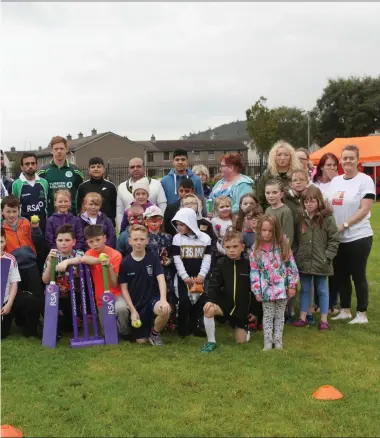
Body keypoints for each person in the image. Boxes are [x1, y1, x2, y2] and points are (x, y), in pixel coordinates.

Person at [327, 145, 375, 324]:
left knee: (358, 275)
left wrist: (345, 225)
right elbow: (329, 205)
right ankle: (345, 309)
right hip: (338, 237)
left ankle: (362, 313)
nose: (347, 161)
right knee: (341, 275)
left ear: (358, 160)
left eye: (351, 158)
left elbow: (364, 209)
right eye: (345, 158)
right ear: (341, 161)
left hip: (358, 236)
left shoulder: (365, 180)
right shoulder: (336, 181)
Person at [60, 224, 130, 338]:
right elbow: (82, 258)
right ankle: (113, 330)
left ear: (105, 238)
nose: (95, 244)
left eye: (98, 240)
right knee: (107, 335)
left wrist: (110, 267)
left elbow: (114, 283)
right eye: (91, 241)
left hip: (117, 294)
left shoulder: (116, 255)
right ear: (87, 243)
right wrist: (66, 262)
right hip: (101, 298)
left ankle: (125, 332)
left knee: (121, 308)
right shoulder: (90, 253)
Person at [292, 186, 339, 330]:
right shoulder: (300, 217)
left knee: (322, 290)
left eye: (312, 201)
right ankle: (302, 318)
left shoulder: (327, 218)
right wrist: (297, 255)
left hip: (321, 261)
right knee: (305, 289)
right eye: (305, 201)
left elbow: (334, 239)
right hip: (304, 260)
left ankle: (324, 320)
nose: (308, 204)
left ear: (319, 201)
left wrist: (327, 256)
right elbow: (296, 239)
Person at [250, 215, 299, 350]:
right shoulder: (256, 249)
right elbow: (254, 271)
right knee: (267, 316)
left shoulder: (282, 246)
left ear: (276, 231)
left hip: (282, 289)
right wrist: (256, 289)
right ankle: (267, 341)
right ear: (259, 230)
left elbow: (291, 267)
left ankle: (278, 341)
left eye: (270, 231)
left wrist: (292, 285)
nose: (267, 233)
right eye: (264, 230)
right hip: (266, 290)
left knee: (279, 316)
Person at [200, 230, 254, 353]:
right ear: (224, 247)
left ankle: (243, 328)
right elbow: (213, 285)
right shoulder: (220, 263)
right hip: (224, 305)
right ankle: (211, 342)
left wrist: (254, 311)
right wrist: (210, 301)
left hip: (241, 309)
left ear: (242, 247)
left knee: (241, 342)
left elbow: (254, 290)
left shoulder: (248, 265)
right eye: (228, 247)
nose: (231, 250)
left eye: (235, 247)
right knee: (208, 309)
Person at [118, 224, 171, 345]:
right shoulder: (125, 263)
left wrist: (163, 299)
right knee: (141, 341)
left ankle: (155, 334)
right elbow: (124, 289)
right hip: (137, 304)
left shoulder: (153, 258)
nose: (138, 242)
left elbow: (161, 279)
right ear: (130, 241)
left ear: (147, 241)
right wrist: (132, 310)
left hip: (152, 300)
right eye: (135, 239)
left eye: (142, 239)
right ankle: (146, 329)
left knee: (165, 310)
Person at [171, 208, 211, 338]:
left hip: (199, 277)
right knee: (184, 302)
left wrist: (202, 275)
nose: (179, 227)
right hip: (184, 278)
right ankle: (183, 329)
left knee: (198, 302)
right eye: (177, 224)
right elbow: (177, 259)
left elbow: (207, 257)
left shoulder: (205, 238)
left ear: (190, 223)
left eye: (182, 224)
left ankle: (195, 327)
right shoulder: (177, 239)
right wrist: (184, 276)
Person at [42, 224, 84, 335]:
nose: (63, 243)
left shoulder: (78, 253)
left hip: (73, 294)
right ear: (56, 242)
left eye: (67, 240)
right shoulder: (52, 255)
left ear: (74, 242)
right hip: (55, 294)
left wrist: (67, 262)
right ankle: (56, 322)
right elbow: (45, 280)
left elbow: (81, 263)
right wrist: (51, 262)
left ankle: (70, 321)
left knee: (70, 327)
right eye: (60, 240)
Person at [1, 227, 41, 339]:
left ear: (5, 241)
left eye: (1, 242)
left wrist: (9, 304)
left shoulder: (10, 259)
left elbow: (14, 283)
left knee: (32, 300)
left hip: (8, 299)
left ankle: (30, 330)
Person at [1, 195, 43, 299]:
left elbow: (37, 240)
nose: (11, 215)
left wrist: (36, 229)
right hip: (13, 268)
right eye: (8, 211)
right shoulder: (1, 228)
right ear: (2, 212)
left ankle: (40, 314)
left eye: (14, 211)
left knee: (37, 294)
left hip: (31, 265)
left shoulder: (25, 222)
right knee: (19, 296)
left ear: (19, 210)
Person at [37, 136, 84, 216]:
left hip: (72, 216)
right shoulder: (42, 171)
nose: (59, 151)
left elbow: (82, 194)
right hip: (50, 216)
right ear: (52, 151)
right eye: (56, 149)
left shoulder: (76, 171)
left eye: (61, 148)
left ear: (66, 150)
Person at [116, 157, 167, 229]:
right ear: (129, 169)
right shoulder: (121, 187)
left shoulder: (156, 184)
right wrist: (122, 230)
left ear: (144, 168)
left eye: (138, 166)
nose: (135, 169)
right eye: (132, 167)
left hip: (152, 229)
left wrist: (160, 226)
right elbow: (120, 212)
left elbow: (163, 206)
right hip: (130, 230)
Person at [256, 141, 300, 210]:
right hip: (272, 216)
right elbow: (260, 199)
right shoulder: (267, 175)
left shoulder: (298, 174)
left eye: (286, 155)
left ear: (291, 157)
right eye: (279, 155)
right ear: (274, 157)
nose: (282, 158)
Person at [11, 153, 49, 232]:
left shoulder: (44, 182)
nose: (30, 166)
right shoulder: (16, 184)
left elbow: (49, 204)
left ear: (37, 165)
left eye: (33, 163)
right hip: (23, 228)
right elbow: (13, 207)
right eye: (27, 164)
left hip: (43, 227)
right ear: (22, 167)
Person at [76, 157, 117, 226]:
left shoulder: (111, 186)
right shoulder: (83, 187)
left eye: (99, 166)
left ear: (103, 169)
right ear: (89, 170)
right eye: (93, 167)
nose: (96, 169)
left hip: (106, 225)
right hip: (87, 226)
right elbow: (79, 207)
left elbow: (114, 207)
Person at [265, 179, 294, 249]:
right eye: (268, 193)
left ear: (281, 194)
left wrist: (284, 251)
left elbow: (288, 235)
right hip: (268, 249)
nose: (270, 196)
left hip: (280, 250)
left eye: (274, 192)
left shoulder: (286, 211)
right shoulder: (267, 210)